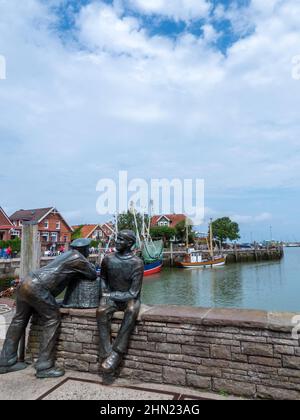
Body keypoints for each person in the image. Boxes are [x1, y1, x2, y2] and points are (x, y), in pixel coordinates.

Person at [0, 238, 97, 378]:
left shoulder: (67, 254)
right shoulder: (78, 258)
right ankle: (44, 366)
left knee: (18, 320)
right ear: (85, 249)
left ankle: (6, 361)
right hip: (38, 288)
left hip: (27, 282)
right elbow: (92, 274)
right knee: (52, 318)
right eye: (88, 248)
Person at [96, 230, 144, 374]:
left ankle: (117, 353)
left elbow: (133, 293)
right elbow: (103, 278)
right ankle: (106, 353)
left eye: (121, 239)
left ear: (130, 243)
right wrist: (105, 293)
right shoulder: (108, 259)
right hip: (111, 297)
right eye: (117, 238)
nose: (116, 241)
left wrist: (111, 294)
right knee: (101, 311)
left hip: (130, 299)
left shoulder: (137, 263)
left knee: (131, 311)